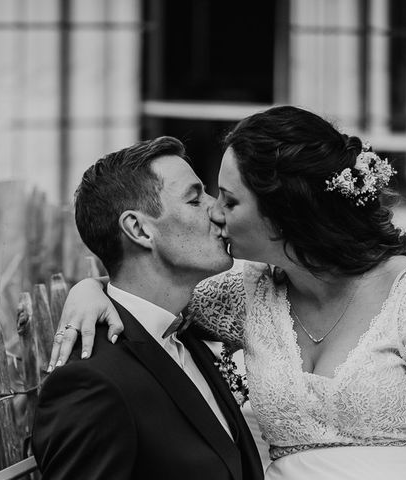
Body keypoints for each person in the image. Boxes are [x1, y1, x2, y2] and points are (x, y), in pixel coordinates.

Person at [49, 106, 406, 480]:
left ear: (284, 214)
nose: (214, 211)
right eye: (204, 198)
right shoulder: (244, 295)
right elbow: (149, 293)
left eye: (229, 201)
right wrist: (91, 288)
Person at [31, 136, 264, 480]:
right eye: (195, 198)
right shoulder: (91, 382)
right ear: (139, 229)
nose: (217, 210)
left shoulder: (192, 336)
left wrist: (91, 285)